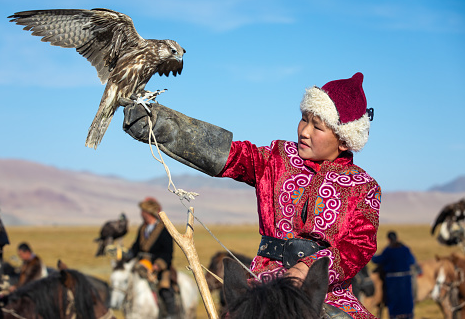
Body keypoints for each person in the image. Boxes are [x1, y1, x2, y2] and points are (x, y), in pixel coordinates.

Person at [122, 72, 381, 318]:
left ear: (344, 140)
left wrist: (306, 268)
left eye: (317, 127)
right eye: (304, 119)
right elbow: (230, 155)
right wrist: (161, 125)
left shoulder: (363, 186)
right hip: (265, 284)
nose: (304, 131)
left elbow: (359, 246)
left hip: (326, 293)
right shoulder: (277, 158)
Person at [125, 197, 176, 318]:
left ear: (149, 213)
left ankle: (170, 315)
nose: (141, 214)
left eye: (143, 211)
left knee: (165, 291)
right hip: (141, 265)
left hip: (158, 267)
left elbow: (168, 252)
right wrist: (125, 255)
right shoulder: (142, 228)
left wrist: (158, 265)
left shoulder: (164, 229)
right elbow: (136, 247)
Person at [372, 231, 417, 319]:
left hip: (393, 282)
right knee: (406, 302)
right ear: (397, 238)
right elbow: (412, 261)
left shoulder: (388, 250)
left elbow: (377, 260)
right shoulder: (405, 249)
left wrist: (372, 254)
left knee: (394, 303)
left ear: (388, 240)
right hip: (406, 280)